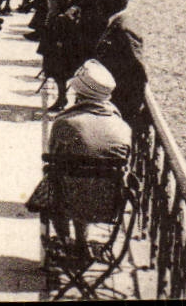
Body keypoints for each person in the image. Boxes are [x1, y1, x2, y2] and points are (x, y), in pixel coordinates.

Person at [27, 60, 132, 243]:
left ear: (78, 94)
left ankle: (65, 239)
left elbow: (53, 156)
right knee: (81, 181)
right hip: (106, 202)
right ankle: (81, 241)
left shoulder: (65, 123)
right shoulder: (123, 128)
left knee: (60, 178)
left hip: (67, 198)